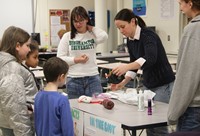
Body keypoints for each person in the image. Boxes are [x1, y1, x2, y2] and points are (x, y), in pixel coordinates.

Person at [111, 9, 175, 136]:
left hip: (163, 84)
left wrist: (126, 66)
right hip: (149, 85)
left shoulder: (148, 36)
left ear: (133, 22)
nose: (121, 31)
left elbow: (150, 58)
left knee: (159, 124)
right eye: (119, 28)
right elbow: (134, 64)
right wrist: (123, 83)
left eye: (123, 27)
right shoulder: (130, 40)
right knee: (149, 122)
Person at [57, 6, 108, 99]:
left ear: (86, 19)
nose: (78, 24)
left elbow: (104, 36)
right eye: (75, 21)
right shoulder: (67, 36)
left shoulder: (92, 35)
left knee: (97, 107)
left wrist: (91, 28)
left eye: (81, 20)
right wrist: (77, 60)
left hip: (93, 77)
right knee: (76, 110)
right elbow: (60, 58)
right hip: (73, 79)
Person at [168, 0, 200, 132]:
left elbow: (188, 74)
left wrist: (173, 113)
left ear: (190, 3)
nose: (180, 8)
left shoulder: (193, 30)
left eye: (181, 3)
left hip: (194, 111)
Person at [0, 26, 38, 136]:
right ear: (17, 46)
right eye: (27, 45)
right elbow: (15, 107)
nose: (29, 49)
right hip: (16, 129)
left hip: (9, 125)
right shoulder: (12, 70)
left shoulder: (7, 65)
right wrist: (24, 133)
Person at [34, 57, 74, 136]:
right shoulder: (62, 100)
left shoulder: (38, 96)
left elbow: (37, 123)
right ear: (61, 77)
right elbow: (67, 129)